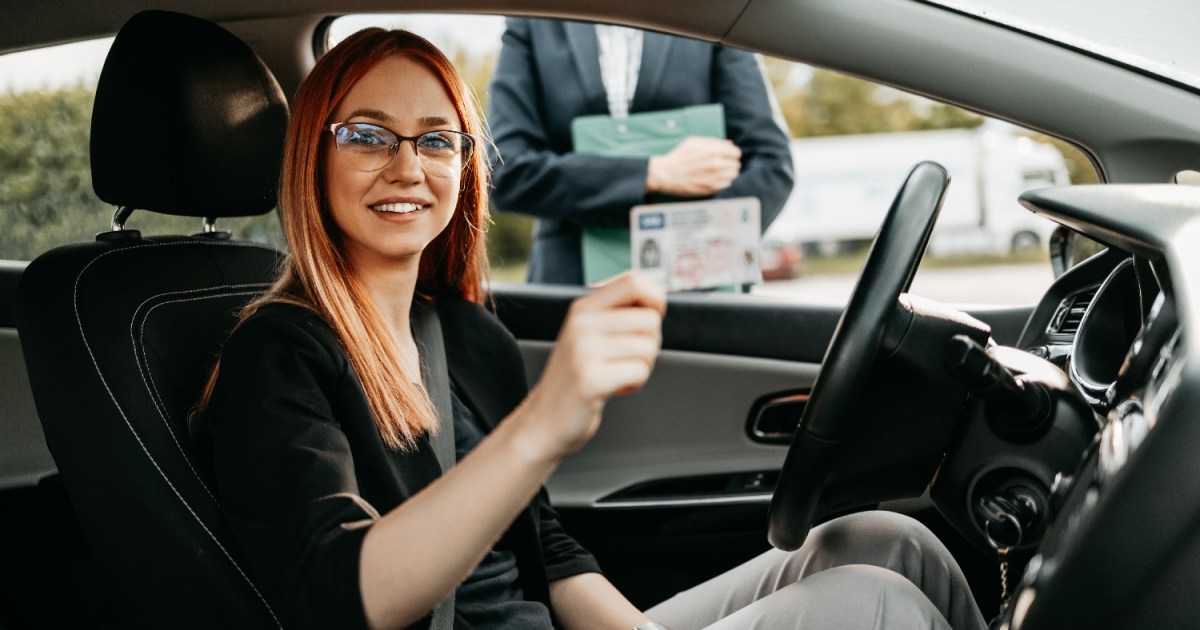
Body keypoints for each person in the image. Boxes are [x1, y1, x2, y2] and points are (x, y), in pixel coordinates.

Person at [198, 27, 986, 630]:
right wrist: (542, 425)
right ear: (312, 156)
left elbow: (550, 555)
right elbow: (341, 596)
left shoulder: (466, 337)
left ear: (464, 165)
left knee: (882, 541)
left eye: (437, 138)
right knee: (870, 601)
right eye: (367, 134)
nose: (408, 166)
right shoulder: (276, 355)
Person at [487, 18, 795, 285]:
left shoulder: (713, 14)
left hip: (700, 284)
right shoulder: (533, 19)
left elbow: (771, 163)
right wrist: (653, 173)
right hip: (570, 285)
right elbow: (505, 171)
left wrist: (693, 248)